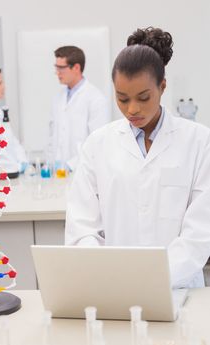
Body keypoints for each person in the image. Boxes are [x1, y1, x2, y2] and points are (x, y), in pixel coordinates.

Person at [65, 27, 210, 289]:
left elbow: (199, 234)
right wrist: (109, 275)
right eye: (122, 99)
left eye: (144, 98)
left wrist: (151, 280)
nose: (132, 109)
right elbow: (82, 227)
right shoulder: (98, 144)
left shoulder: (200, 142)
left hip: (180, 289)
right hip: (114, 288)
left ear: (162, 86)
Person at [50, 46, 110, 172]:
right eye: (56, 67)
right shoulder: (58, 97)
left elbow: (96, 143)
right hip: (58, 172)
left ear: (76, 68)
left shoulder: (96, 99)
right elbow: (53, 135)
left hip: (83, 170)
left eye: (61, 68)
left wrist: (70, 165)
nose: (57, 72)